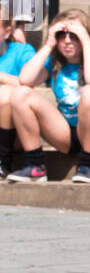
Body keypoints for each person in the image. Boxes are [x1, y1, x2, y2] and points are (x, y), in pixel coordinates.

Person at [8, 9, 90, 182]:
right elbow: (25, 79)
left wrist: (84, 37)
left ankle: (89, 165)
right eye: (61, 35)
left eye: (73, 35)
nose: (67, 41)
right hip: (66, 132)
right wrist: (49, 44)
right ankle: (35, 165)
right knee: (21, 93)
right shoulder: (54, 63)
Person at [0, 15, 37, 178]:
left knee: (8, 93)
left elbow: (30, 84)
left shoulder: (22, 51)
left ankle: (3, 161)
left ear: (7, 32)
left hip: (14, 129)